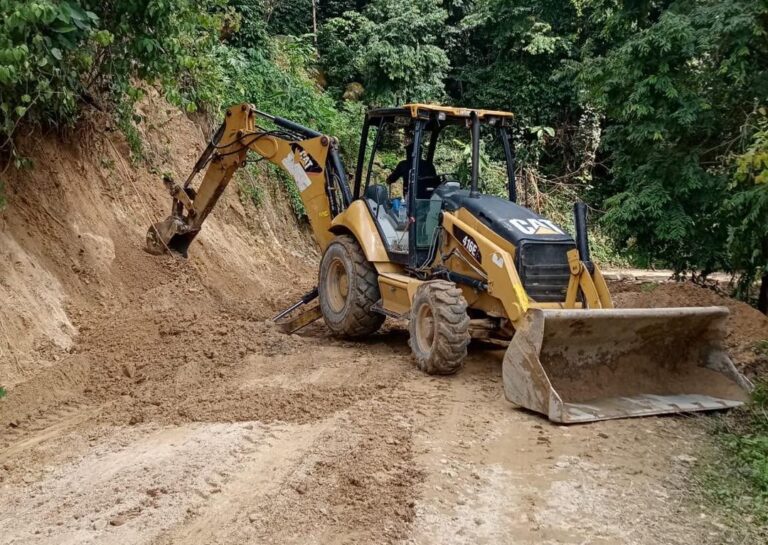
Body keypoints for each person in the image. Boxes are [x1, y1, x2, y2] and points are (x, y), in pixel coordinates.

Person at [386, 129, 436, 200]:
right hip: (427, 198)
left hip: (410, 199)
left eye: (407, 151)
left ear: (409, 153)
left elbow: (391, 179)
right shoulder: (429, 165)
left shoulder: (403, 165)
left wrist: (388, 180)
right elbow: (436, 182)